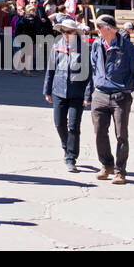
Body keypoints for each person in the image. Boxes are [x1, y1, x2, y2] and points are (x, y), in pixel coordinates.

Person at [85, 14, 134, 185]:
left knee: (121, 135)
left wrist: (128, 88)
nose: (97, 30)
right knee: (99, 133)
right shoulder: (96, 45)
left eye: (99, 27)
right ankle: (106, 165)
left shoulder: (128, 48)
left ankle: (120, 170)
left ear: (109, 28)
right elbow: (94, 69)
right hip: (100, 95)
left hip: (120, 96)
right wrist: (90, 93)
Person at [44, 17, 91, 172]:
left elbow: (90, 74)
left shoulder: (83, 48)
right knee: (59, 123)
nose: (65, 34)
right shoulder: (57, 46)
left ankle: (71, 157)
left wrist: (87, 95)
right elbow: (50, 70)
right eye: (63, 31)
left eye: (69, 31)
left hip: (77, 93)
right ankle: (66, 146)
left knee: (73, 126)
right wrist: (47, 90)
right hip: (58, 91)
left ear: (75, 33)